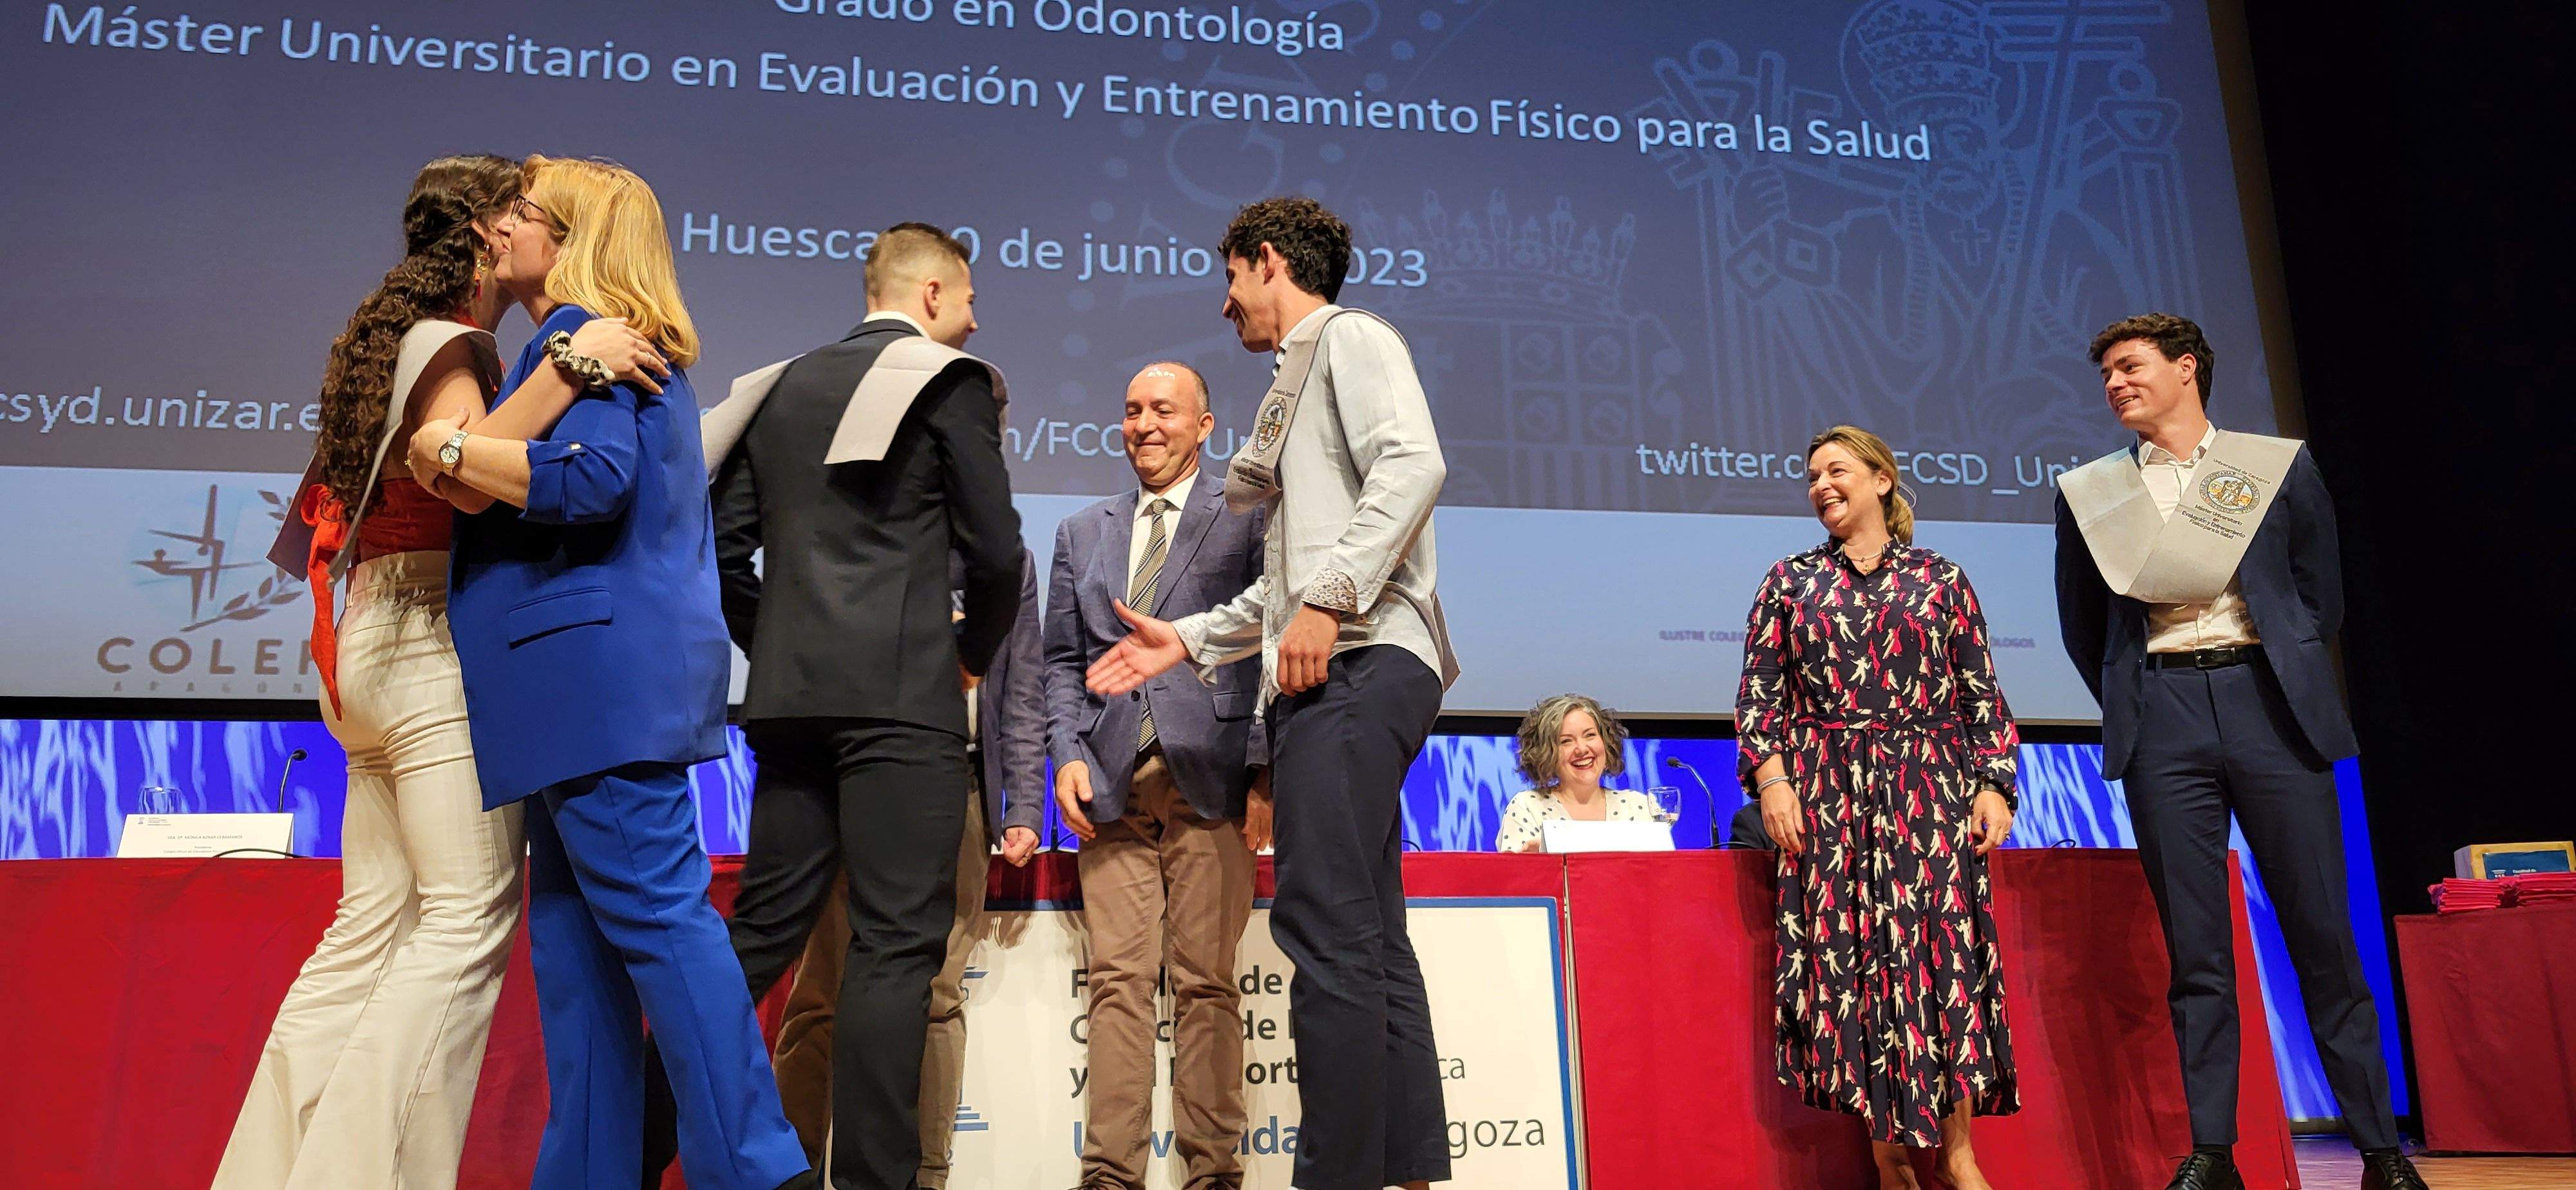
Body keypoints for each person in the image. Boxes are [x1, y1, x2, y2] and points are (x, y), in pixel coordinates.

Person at [406, 155, 812, 1190]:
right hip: (571, 692)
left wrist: (446, 452)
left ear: (571, 239)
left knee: (665, 931)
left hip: (592, 687)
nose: (500, 225)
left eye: (522, 210)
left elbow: (591, 481)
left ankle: (757, 1171)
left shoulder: (590, 339)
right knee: (577, 957)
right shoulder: (577, 345)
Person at [1086, 196, 1459, 1190]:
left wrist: (1330, 601)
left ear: (1267, 262)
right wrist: (1186, 639)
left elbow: (1413, 464)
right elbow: (1283, 587)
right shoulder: (1296, 377)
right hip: (1345, 666)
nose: (1225, 303)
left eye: (1231, 279)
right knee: (1368, 934)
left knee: (1324, 927)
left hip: (1359, 664)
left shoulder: (1348, 337)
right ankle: (1404, 1170)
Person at [220, 153, 549, 1190]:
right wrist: (567, 369)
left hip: (364, 646)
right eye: (530, 210)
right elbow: (460, 473)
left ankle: (270, 1174)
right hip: (423, 642)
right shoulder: (452, 342)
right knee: (464, 921)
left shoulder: (392, 335)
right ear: (488, 230)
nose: (546, 230)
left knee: (370, 930)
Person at [677, 221, 1021, 1190]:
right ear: (931, 295)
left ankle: (641, 1133)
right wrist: (967, 657)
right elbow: (998, 553)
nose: (974, 321)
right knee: (895, 946)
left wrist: (783, 649)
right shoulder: (951, 382)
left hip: (791, 707)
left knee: (760, 936)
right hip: (902, 703)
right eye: (968, 301)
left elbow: (720, 552)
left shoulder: (778, 385)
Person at [2054, 314, 2422, 1190]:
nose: (2115, 384)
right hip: (2164, 718)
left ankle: (2380, 1153)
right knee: (2197, 950)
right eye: (2106, 373)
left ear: (2187, 369)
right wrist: (2145, 700)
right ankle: (2213, 1154)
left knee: (2323, 936)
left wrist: (2274, 669)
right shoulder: (2091, 493)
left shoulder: (2273, 468)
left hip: (2270, 707)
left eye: (2130, 366)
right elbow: (2083, 628)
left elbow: (2317, 600)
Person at [1737, 426, 2020, 1190]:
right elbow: (1759, 697)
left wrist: (1993, 783)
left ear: (1881, 480)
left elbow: (1981, 694)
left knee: (1940, 964)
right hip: (1829, 801)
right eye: (1811, 476)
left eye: (1835, 470)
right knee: (1855, 969)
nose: (1820, 485)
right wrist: (1773, 780)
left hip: (1929, 792)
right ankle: (1888, 1157)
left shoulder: (1940, 578)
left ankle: (1957, 1155)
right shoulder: (1789, 582)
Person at [1043, 361, 1271, 1190]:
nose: (1144, 424)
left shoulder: (1245, 517)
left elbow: (1270, 642)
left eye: (1164, 410)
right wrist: (1065, 752)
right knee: (1117, 986)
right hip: (1110, 784)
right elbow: (1060, 661)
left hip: (1212, 779)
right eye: (1133, 409)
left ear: (1205, 426)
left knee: (1207, 985)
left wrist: (1263, 773)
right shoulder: (1081, 530)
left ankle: (1214, 1175)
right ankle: (1110, 1175)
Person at [765, 549, 1048, 1186]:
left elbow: (1023, 687)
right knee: (821, 990)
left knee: (938, 995)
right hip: (850, 786)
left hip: (957, 792)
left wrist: (1025, 802)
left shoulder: (1006, 558)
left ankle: (925, 1176)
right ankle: (789, 1172)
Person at [1493, 694, 1660, 853]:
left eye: (1590, 735)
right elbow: (1513, 872)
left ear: (1606, 742)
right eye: (1566, 741)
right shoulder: (1528, 807)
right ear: (1546, 753)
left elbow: (1664, 870)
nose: (1582, 749)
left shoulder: (1639, 807)